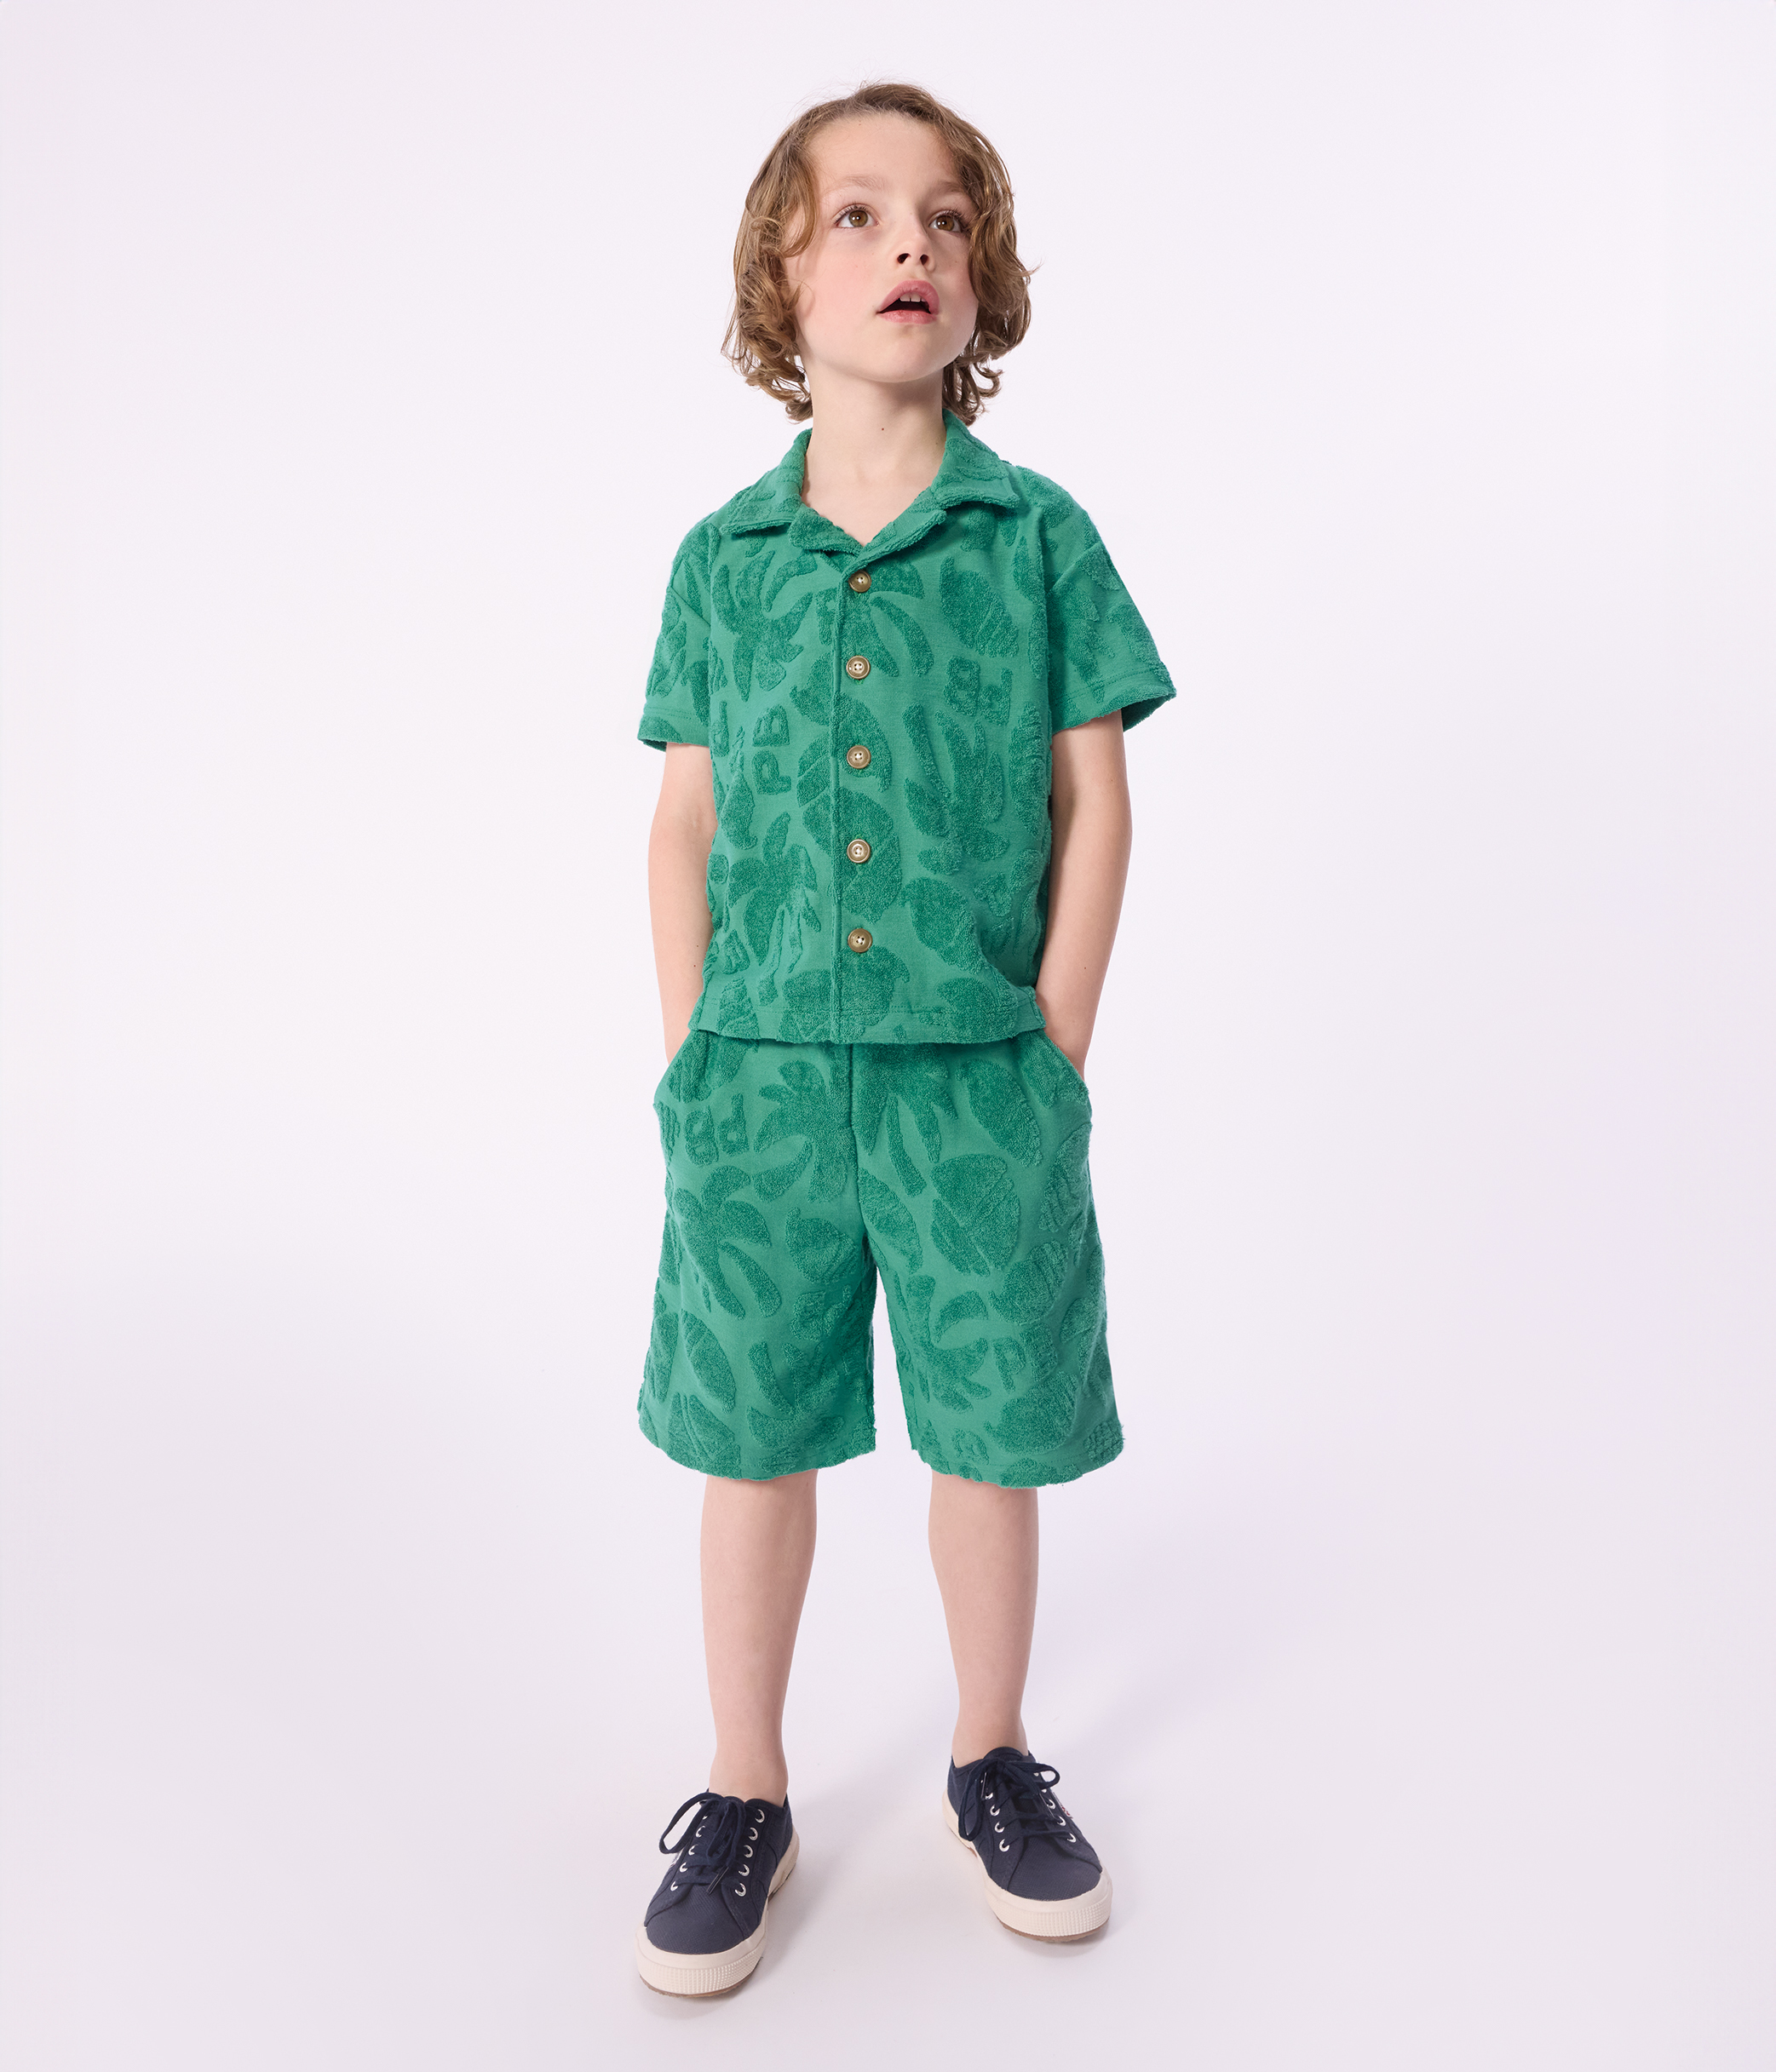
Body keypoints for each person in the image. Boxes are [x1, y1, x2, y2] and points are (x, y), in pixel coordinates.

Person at [632, 81, 1175, 1996]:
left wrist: (1053, 1044)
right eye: (855, 216)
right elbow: (683, 821)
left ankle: (989, 1750)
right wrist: (695, 1048)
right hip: (761, 1078)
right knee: (748, 1434)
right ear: (781, 277)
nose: (908, 247)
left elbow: (1094, 800)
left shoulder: (1036, 538)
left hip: (976, 1075)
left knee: (989, 1429)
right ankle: (744, 1782)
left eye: (944, 219)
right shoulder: (722, 558)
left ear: (981, 279)